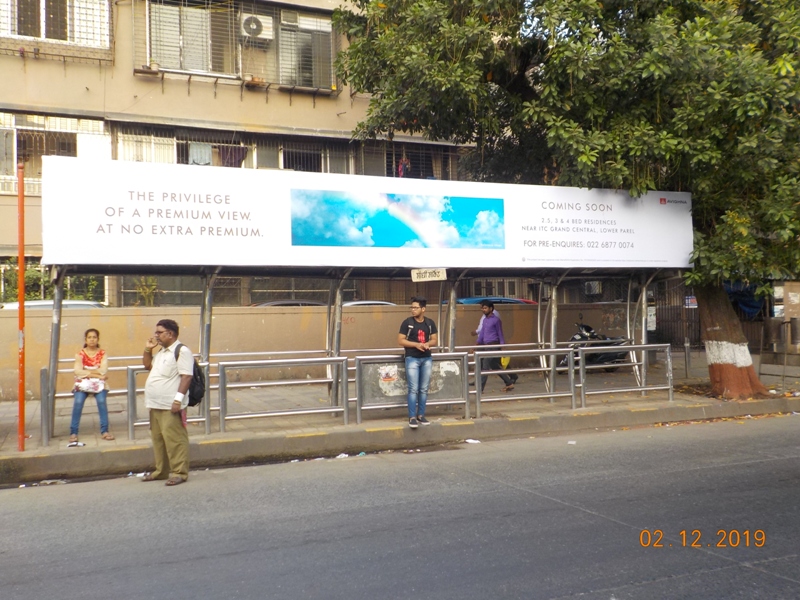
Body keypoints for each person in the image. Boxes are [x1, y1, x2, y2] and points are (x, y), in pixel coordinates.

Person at [142, 319, 193, 486]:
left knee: (175, 440)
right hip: (155, 403)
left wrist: (177, 400)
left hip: (170, 405)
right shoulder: (162, 352)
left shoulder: (181, 351)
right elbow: (147, 365)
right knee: (158, 440)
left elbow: (187, 376)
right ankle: (161, 471)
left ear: (170, 334)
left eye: (159, 332)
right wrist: (148, 349)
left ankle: (179, 473)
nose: (156, 335)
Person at [398, 297, 438, 429]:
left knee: (424, 389)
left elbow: (434, 340)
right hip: (412, 358)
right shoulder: (407, 323)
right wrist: (416, 345)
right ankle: (412, 417)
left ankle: (421, 414)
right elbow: (401, 340)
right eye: (412, 307)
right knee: (413, 389)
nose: (413, 310)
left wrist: (426, 344)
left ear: (423, 309)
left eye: (415, 308)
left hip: (426, 358)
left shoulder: (430, 323)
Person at [70, 328, 113, 443]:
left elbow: (103, 370)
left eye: (94, 337)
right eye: (89, 337)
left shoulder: (102, 353)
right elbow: (77, 371)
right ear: (86, 339)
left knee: (101, 401)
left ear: (98, 339)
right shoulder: (80, 354)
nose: (92, 340)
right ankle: (73, 432)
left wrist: (89, 373)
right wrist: (97, 375)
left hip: (99, 384)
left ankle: (104, 431)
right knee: (78, 402)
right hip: (83, 384)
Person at [476, 300, 516, 392]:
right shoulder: (485, 320)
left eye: (485, 308)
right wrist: (476, 344)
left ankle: (480, 389)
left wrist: (502, 346)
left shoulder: (496, 320)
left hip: (493, 345)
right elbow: (482, 334)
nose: (483, 310)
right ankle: (509, 383)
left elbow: (500, 333)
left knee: (485, 366)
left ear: (491, 308)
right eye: (482, 308)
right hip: (485, 346)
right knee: (494, 366)